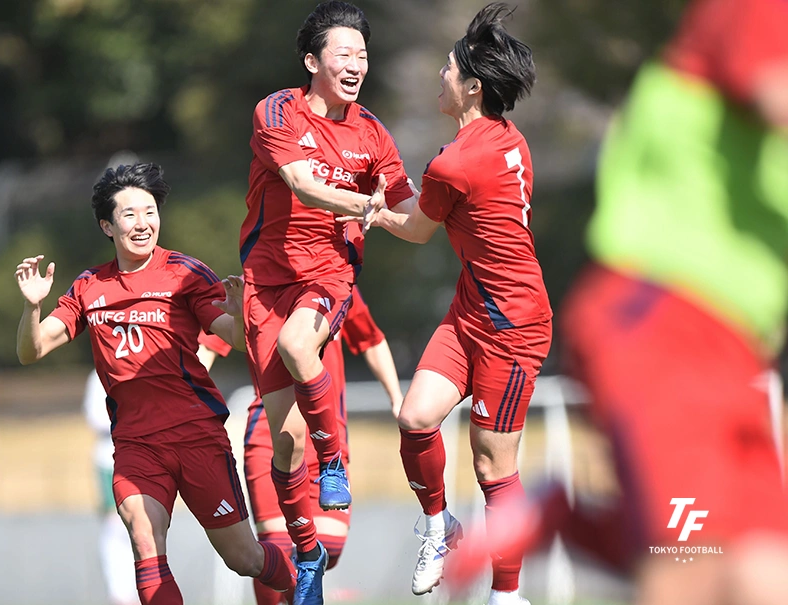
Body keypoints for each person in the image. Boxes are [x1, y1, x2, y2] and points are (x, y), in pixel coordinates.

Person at [444, 2, 788, 604]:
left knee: (764, 577)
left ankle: (579, 522)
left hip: (734, 345)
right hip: (664, 317)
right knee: (688, 563)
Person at [15, 162, 296, 605]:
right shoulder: (89, 286)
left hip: (197, 436)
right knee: (144, 540)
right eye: (129, 215)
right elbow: (31, 351)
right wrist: (32, 308)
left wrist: (243, 311)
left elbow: (237, 340)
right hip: (135, 445)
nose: (143, 224)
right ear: (107, 226)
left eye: (150, 211)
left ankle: (305, 582)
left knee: (243, 559)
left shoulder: (184, 272)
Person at [350, 4, 548, 603]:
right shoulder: (506, 138)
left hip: (512, 326)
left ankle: (507, 595)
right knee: (414, 418)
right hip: (471, 311)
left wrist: (368, 210)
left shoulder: (456, 160)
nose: (440, 73)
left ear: (472, 87)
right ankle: (438, 527)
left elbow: (415, 228)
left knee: (493, 467)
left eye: (448, 66)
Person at [240, 2, 415, 599]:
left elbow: (408, 207)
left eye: (363, 55)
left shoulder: (373, 133)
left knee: (298, 345)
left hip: (329, 274)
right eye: (344, 53)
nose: (356, 64)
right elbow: (300, 183)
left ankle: (334, 460)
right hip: (266, 284)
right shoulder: (277, 111)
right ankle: (306, 553)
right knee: (283, 447)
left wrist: (451, 204)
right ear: (312, 60)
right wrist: (362, 205)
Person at [199, 284, 404, 605]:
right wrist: (185, 399)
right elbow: (210, 346)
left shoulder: (336, 282)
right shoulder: (258, 286)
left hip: (327, 444)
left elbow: (370, 338)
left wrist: (397, 399)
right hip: (272, 436)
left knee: (328, 549)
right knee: (279, 548)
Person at [82, 369, 139, 605]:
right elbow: (94, 416)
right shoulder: (98, 375)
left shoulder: (137, 368)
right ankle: (119, 592)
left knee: (141, 523)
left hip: (139, 457)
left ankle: (139, 589)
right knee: (114, 525)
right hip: (109, 459)